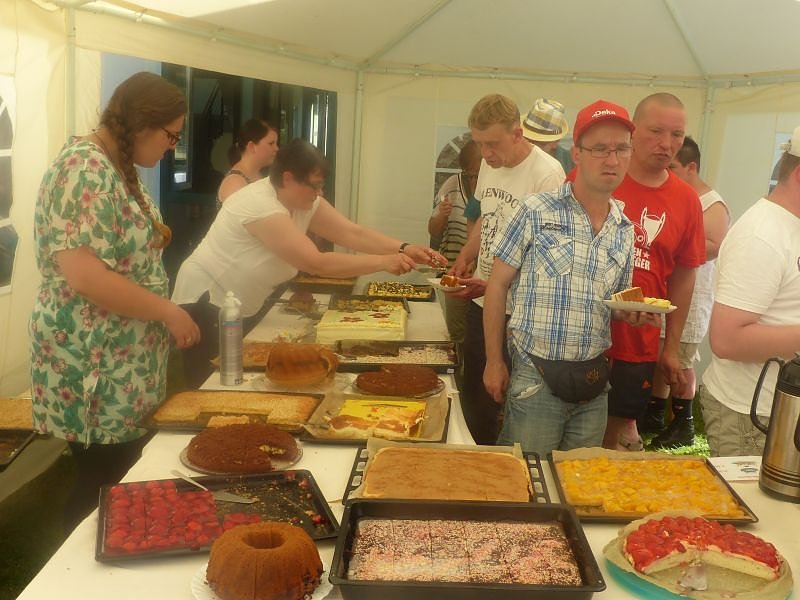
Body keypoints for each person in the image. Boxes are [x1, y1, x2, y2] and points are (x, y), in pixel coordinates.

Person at [28, 72, 201, 533]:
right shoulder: (83, 168)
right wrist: (167, 310)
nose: (171, 146)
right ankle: (74, 577)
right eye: (171, 135)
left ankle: (109, 553)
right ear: (143, 123)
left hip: (118, 360)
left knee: (117, 477)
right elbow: (85, 276)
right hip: (91, 362)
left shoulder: (115, 167)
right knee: (101, 481)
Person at [172, 138, 447, 387]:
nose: (319, 193)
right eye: (314, 185)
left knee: (242, 380)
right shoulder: (260, 205)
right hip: (207, 301)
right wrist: (383, 262)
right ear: (289, 178)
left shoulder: (304, 200)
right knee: (213, 385)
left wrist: (404, 247)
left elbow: (352, 232)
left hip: (241, 301)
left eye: (321, 185)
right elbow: (316, 263)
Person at [484, 100, 658, 455]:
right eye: (599, 149)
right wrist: (494, 361)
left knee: (575, 488)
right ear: (576, 153)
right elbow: (497, 285)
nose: (612, 160)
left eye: (621, 148)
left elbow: (615, 302)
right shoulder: (537, 210)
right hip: (535, 379)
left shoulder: (625, 229)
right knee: (526, 486)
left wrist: (633, 313)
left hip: (594, 385)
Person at [448, 93, 565, 445]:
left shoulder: (548, 175)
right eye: (479, 143)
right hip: (482, 303)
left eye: (493, 144)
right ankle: (474, 467)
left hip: (520, 315)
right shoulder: (490, 164)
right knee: (475, 396)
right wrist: (466, 255)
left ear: (518, 133)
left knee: (511, 401)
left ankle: (505, 473)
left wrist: (495, 285)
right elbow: (487, 214)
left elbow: (549, 259)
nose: (485, 154)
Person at [601, 93, 706, 451]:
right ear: (633, 130)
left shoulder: (686, 199)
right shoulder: (598, 178)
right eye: (656, 131)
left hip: (638, 343)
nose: (667, 144)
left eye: (677, 134)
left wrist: (671, 348)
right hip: (581, 338)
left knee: (614, 439)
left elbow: (684, 277)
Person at [700, 127, 800, 457]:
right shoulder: (762, 235)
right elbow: (727, 340)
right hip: (751, 416)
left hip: (781, 410)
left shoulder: (788, 226)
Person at [642, 136, 730, 448]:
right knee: (659, 355)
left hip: (694, 298)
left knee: (681, 360)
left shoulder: (712, 205)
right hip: (668, 292)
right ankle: (653, 414)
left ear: (691, 167)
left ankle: (683, 423)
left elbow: (713, 248)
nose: (666, 170)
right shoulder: (676, 196)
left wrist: (668, 242)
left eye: (674, 166)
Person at [428, 140, 481, 342]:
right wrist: (441, 215)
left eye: (479, 175)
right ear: (463, 171)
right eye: (471, 175)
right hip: (455, 275)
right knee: (456, 332)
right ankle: (458, 372)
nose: (475, 181)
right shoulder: (452, 186)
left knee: (478, 335)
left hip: (485, 276)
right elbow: (433, 231)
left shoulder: (496, 188)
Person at [216, 118, 279, 208]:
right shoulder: (235, 182)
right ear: (252, 146)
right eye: (271, 143)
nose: (276, 148)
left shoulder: (260, 175)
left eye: (276, 143)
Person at [521, 97, 575, 173]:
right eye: (527, 140)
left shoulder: (570, 165)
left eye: (539, 143)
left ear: (556, 142)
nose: (531, 146)